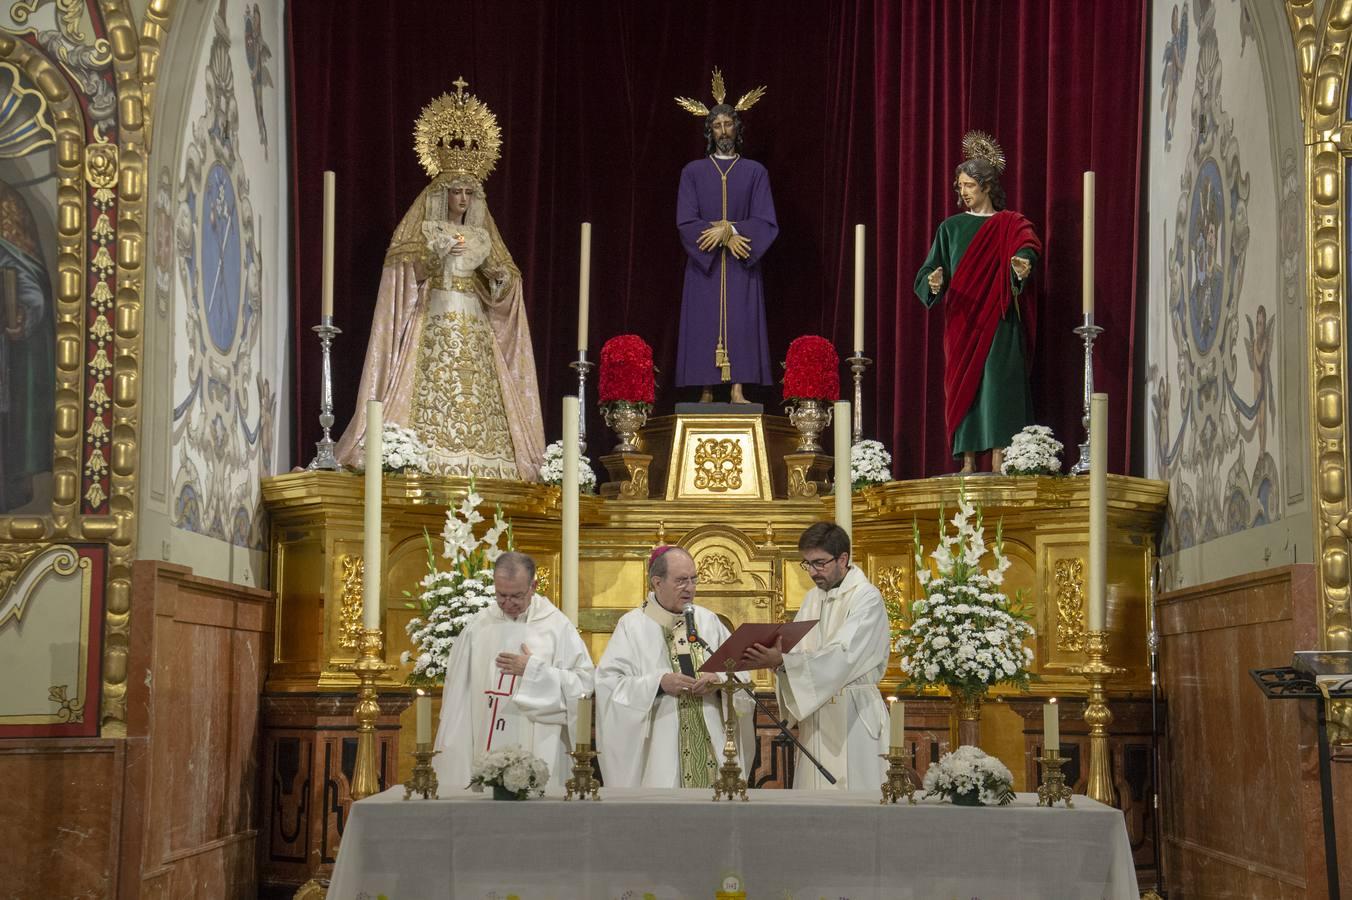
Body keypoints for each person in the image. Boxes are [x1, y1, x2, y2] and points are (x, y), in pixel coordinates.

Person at [336, 79, 544, 479]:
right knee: (429, 390)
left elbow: (504, 285)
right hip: (433, 319)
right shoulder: (426, 231)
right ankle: (413, 455)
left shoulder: (483, 236)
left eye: (469, 192)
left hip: (474, 323)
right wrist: (434, 257)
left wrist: (500, 279)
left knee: (477, 396)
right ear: (442, 193)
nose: (463, 199)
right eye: (457, 191)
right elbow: (404, 280)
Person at [914, 132, 1042, 474]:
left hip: (1000, 320)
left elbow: (1027, 246)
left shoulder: (1010, 223)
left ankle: (1000, 459)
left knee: (999, 386)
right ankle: (968, 462)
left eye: (969, 184)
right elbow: (929, 268)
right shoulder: (950, 228)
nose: (963, 191)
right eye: (960, 186)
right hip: (964, 320)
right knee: (964, 388)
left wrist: (1022, 263)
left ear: (987, 185)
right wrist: (933, 280)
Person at [742, 523, 890, 790]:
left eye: (819, 563)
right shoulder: (812, 598)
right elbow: (798, 651)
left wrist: (783, 661)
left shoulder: (867, 598)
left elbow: (844, 654)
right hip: (817, 719)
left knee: (859, 795)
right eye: (807, 564)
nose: (812, 571)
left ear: (843, 559)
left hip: (854, 714)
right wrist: (780, 659)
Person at [432, 551, 594, 794]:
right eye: (501, 595)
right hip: (485, 739)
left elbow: (583, 684)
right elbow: (458, 698)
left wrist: (533, 671)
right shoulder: (478, 627)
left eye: (516, 596)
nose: (508, 603)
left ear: (533, 586)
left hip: (540, 744)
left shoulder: (557, 627)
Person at [594, 545, 754, 788]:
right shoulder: (632, 626)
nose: (690, 588)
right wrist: (658, 684)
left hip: (713, 741)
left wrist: (719, 680)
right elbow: (609, 686)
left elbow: (741, 674)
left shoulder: (708, 621)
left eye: (693, 579)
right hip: (660, 755)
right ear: (657, 583)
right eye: (681, 581)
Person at [675, 70, 777, 404]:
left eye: (728, 124)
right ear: (709, 130)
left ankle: (737, 390)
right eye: (716, 125)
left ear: (737, 128)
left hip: (740, 264)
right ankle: (705, 391)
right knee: (704, 322)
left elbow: (765, 220)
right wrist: (721, 234)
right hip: (703, 268)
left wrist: (731, 230)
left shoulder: (754, 172)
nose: (723, 131)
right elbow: (686, 220)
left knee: (741, 321)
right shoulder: (693, 172)